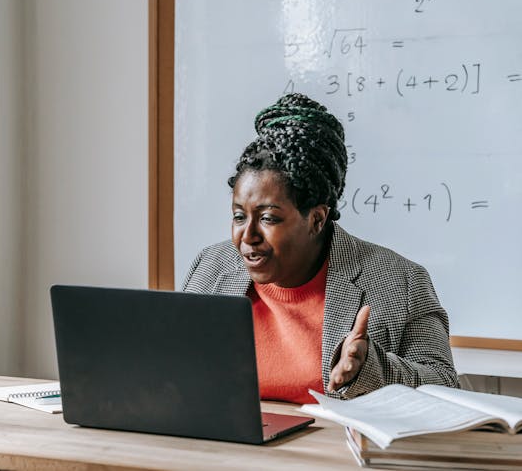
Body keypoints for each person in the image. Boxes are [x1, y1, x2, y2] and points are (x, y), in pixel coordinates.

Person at [182, 93, 458, 403]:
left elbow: (445, 387)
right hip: (223, 448)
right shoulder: (210, 267)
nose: (248, 236)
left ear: (316, 219)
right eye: (238, 216)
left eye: (269, 218)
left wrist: (370, 368)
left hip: (336, 450)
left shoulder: (400, 281)